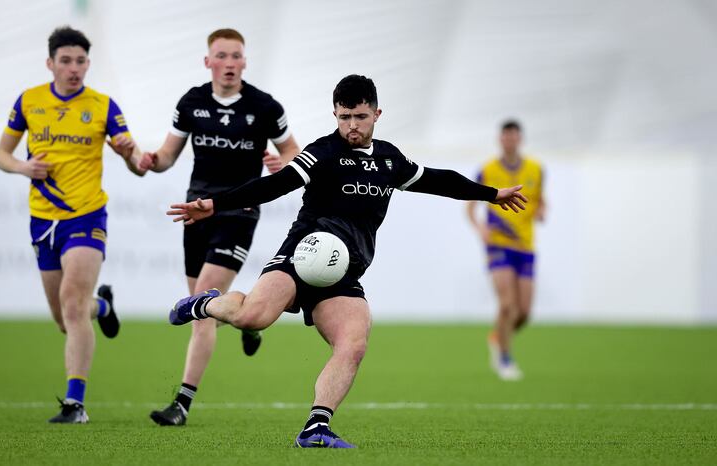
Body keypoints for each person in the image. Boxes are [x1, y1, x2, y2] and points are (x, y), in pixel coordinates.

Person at [165, 75, 528, 448]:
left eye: (359, 116)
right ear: (335, 115)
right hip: (300, 256)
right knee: (253, 317)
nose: (351, 125)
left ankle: (315, 428)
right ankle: (204, 303)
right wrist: (216, 203)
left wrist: (491, 195)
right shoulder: (322, 152)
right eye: (344, 117)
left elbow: (438, 180)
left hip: (344, 271)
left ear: (376, 113)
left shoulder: (390, 159)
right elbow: (275, 184)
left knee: (353, 342)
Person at [141, 28, 300, 427]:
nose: (229, 63)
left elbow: (294, 152)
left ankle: (181, 404)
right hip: (196, 211)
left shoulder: (265, 107)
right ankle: (249, 321)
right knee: (205, 305)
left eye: (236, 56)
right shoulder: (191, 103)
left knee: (201, 304)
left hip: (240, 212)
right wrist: (145, 160)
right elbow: (166, 156)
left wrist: (285, 165)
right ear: (208, 61)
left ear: (245, 62)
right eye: (222, 56)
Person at [0, 26, 145, 423]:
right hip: (43, 221)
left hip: (86, 216)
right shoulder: (29, 101)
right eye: (66, 61)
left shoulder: (102, 105)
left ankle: (75, 404)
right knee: (65, 319)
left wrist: (131, 155)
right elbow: (1, 155)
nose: (74, 68)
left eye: (80, 61)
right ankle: (105, 305)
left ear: (87, 64)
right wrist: (23, 166)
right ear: (50, 63)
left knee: (73, 305)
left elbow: (137, 163)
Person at [466, 120, 545, 381]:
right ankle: (505, 358)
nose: (510, 140)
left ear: (520, 139)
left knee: (523, 312)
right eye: (505, 136)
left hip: (525, 245)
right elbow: (470, 206)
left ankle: (497, 337)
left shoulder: (535, 169)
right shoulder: (488, 170)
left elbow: (540, 200)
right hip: (498, 244)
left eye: (514, 136)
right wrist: (481, 229)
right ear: (500, 139)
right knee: (508, 304)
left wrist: (542, 210)